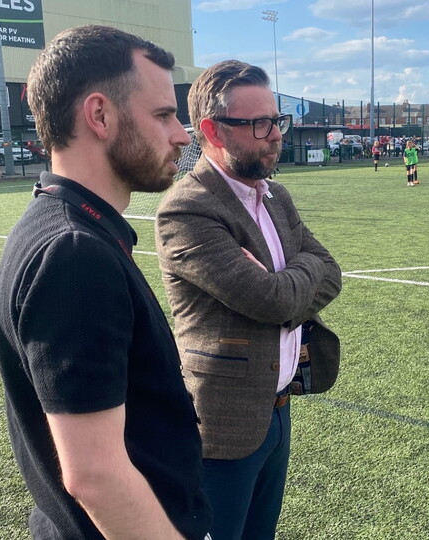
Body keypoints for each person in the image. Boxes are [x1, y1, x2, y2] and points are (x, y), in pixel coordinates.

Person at [0, 25, 212, 540]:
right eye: (163, 115)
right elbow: (95, 475)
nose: (182, 134)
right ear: (100, 115)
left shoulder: (65, 224)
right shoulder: (74, 253)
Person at [156, 59, 342, 540]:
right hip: (222, 425)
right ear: (212, 131)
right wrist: (297, 277)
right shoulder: (188, 207)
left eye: (276, 121)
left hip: (278, 410)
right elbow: (274, 302)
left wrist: (289, 278)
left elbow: (332, 273)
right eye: (258, 124)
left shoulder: (276, 195)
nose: (274, 134)